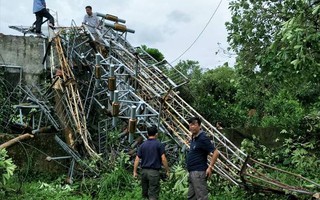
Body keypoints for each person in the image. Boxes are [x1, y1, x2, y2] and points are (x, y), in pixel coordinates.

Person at [186, 117, 219, 200]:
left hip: (199, 172)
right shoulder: (194, 137)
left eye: (194, 124)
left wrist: (210, 167)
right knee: (191, 197)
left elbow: (216, 152)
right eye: (190, 124)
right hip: (192, 172)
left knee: (202, 197)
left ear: (199, 126)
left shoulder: (202, 138)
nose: (191, 126)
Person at [133, 125, 170, 200]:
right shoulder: (159, 144)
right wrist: (167, 170)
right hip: (154, 173)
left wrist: (135, 171)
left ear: (147, 134)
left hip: (143, 172)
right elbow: (163, 159)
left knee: (145, 194)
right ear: (156, 134)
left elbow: (137, 159)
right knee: (153, 194)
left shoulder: (142, 145)